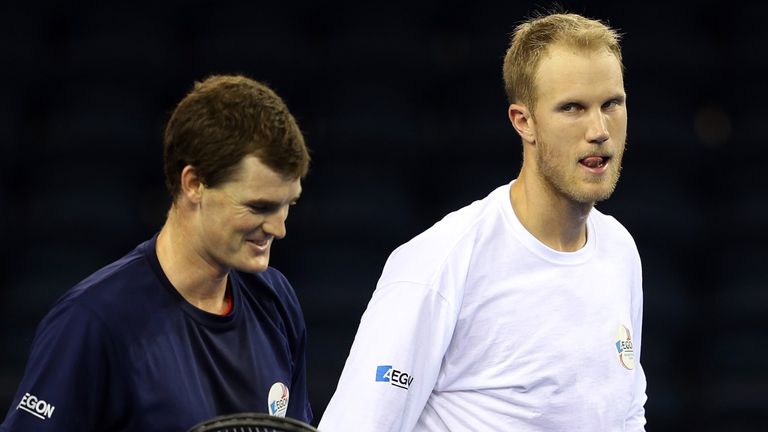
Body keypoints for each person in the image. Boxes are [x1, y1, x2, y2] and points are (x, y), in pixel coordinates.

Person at [319, 12, 646, 431]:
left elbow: (628, 413)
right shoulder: (441, 262)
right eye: (572, 108)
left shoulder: (620, 250)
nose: (599, 130)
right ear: (523, 121)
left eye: (611, 104)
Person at [1, 75, 313, 431]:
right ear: (194, 184)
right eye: (259, 207)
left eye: (288, 205)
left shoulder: (276, 300)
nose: (279, 228)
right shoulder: (91, 322)